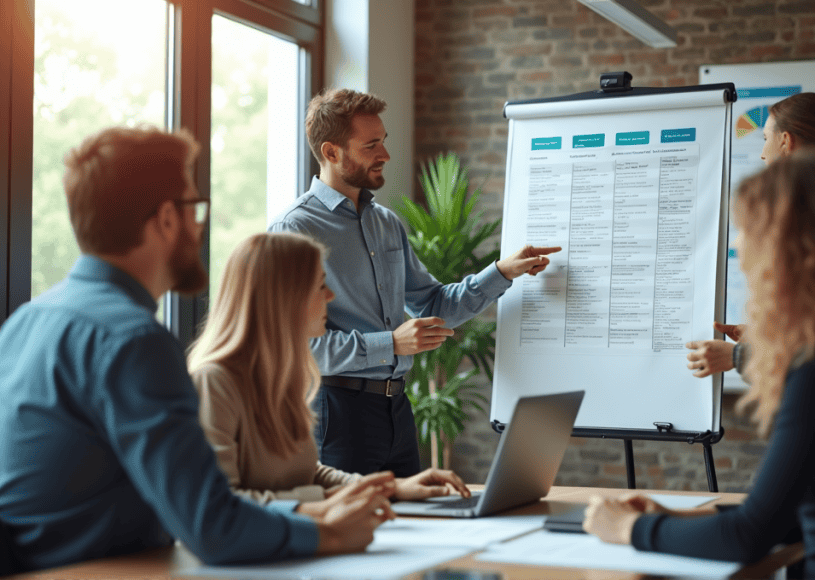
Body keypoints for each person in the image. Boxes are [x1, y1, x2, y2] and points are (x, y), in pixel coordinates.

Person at [0, 127, 394, 573]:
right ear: (167, 219)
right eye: (195, 208)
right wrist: (331, 534)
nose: (200, 225)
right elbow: (212, 526)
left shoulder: (23, 324)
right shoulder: (132, 341)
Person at [584, 152, 815, 579]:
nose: (741, 254)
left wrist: (629, 528)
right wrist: (670, 521)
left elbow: (750, 536)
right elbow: (803, 515)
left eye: (748, 236)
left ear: (790, 254)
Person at [269, 88, 560, 477]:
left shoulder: (386, 223)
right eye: (371, 145)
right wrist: (390, 343)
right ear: (332, 153)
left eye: (383, 141)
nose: (385, 154)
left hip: (397, 410)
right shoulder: (293, 230)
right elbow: (293, 347)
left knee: (414, 524)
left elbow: (435, 305)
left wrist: (502, 272)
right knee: (354, 530)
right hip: (335, 412)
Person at [188, 232, 473, 505]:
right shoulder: (213, 382)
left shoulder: (280, 378)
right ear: (285, 298)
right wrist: (330, 502)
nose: (331, 297)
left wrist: (391, 487)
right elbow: (220, 503)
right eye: (320, 285)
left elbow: (308, 473)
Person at [685, 92, 815, 379]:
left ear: (786, 142)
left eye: (765, 138)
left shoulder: (807, 219)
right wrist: (768, 334)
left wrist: (738, 355)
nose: (763, 153)